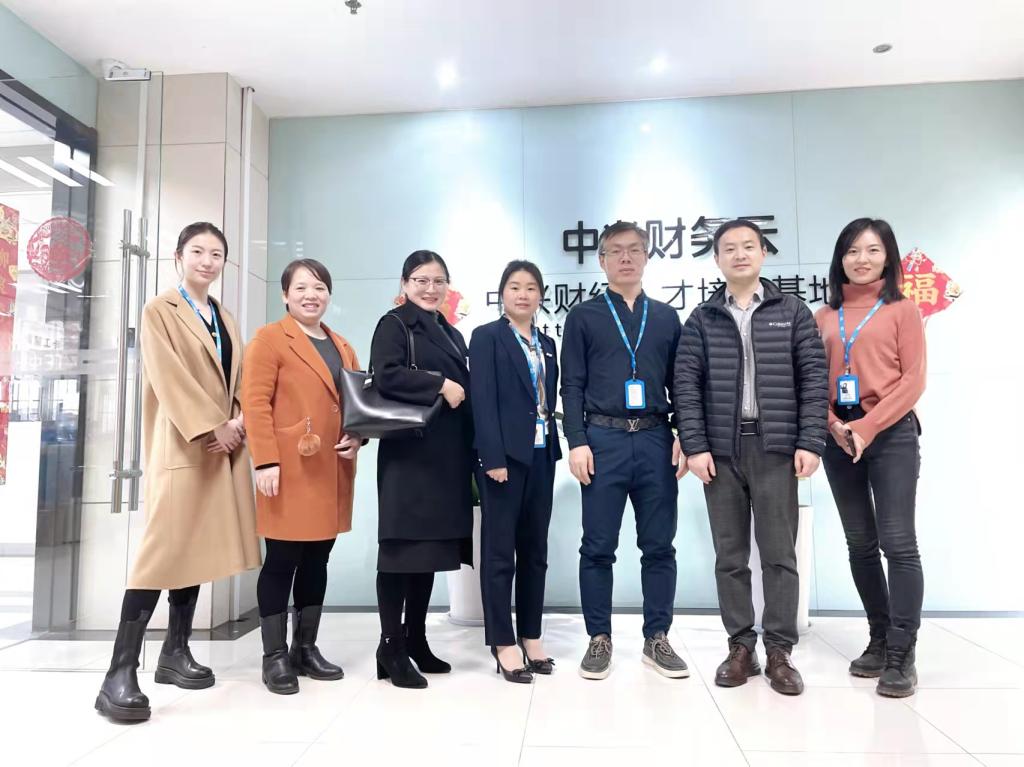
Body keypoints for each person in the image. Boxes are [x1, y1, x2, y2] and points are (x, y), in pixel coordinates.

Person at [95, 222, 260, 722]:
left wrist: (237, 422)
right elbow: (168, 377)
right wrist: (213, 426)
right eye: (198, 252)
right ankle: (119, 673)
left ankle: (175, 651)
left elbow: (240, 377)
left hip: (222, 445)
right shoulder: (159, 311)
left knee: (195, 548)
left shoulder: (224, 316)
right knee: (161, 552)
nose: (207, 261)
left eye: (216, 254)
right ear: (178, 256)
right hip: (185, 443)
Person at [674, 219, 828, 696]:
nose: (739, 254)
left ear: (763, 253)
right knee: (730, 556)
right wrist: (695, 446)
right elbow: (686, 386)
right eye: (729, 248)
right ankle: (741, 646)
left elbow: (813, 378)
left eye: (748, 246)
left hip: (775, 447)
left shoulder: (792, 311)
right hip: (721, 452)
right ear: (717, 259)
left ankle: (780, 650)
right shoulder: (702, 318)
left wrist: (811, 441)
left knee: (780, 554)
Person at [560, 221, 689, 681]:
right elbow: (571, 386)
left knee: (659, 546)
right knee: (597, 547)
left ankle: (657, 637)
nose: (626, 258)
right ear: (602, 261)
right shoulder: (583, 316)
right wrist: (577, 441)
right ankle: (599, 637)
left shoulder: (666, 317)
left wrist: (684, 435)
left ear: (647, 257)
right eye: (616, 251)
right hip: (603, 440)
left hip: (655, 439)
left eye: (635, 250)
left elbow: (681, 384)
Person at [816, 218, 926, 698]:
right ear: (840, 258)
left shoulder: (903, 310)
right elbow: (810, 382)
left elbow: (913, 381)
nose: (861, 259)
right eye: (852, 251)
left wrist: (867, 427)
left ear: (888, 257)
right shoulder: (823, 316)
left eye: (873, 250)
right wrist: (834, 426)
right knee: (860, 543)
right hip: (838, 438)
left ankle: (903, 652)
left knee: (898, 543)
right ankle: (879, 638)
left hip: (891, 434)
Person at [242, 258, 362, 695]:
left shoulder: (342, 345)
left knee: (318, 559)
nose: (312, 295)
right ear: (285, 295)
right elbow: (254, 403)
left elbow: (357, 402)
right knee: (282, 559)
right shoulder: (270, 339)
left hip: (331, 467)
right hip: (288, 469)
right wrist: (264, 461)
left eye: (319, 288)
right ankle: (273, 656)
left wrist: (358, 436)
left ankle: (305, 648)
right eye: (302, 288)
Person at [370, 250, 474, 689]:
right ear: (405, 283)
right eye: (421, 280)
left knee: (427, 553)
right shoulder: (394, 324)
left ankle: (416, 638)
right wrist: (439, 383)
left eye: (438, 281)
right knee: (400, 553)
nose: (431, 289)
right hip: (408, 456)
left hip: (445, 457)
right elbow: (385, 374)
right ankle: (390, 646)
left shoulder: (449, 331)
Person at [470, 260, 561, 684]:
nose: (522, 294)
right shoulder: (487, 337)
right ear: (502, 294)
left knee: (535, 551)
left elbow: (546, 400)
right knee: (499, 552)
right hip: (504, 460)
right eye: (514, 287)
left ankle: (531, 634)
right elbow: (483, 400)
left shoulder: (547, 343)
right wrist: (493, 458)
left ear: (540, 295)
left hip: (541, 456)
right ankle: (503, 641)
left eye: (530, 287)